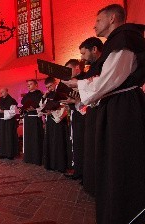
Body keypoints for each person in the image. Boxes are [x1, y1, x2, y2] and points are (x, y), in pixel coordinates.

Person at [62, 4, 145, 223]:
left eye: (98, 20)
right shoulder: (117, 40)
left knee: (121, 160)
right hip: (116, 105)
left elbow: (108, 81)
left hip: (123, 108)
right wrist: (80, 85)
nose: (94, 25)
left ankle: (127, 213)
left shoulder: (124, 37)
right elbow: (105, 80)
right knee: (112, 159)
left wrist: (79, 85)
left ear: (112, 19)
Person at [78, 36, 103, 196]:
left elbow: (101, 88)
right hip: (92, 112)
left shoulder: (104, 65)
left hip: (102, 112)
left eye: (83, 53)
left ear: (94, 49)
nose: (82, 58)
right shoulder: (93, 68)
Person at [63, 59, 86, 180]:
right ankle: (78, 170)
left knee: (82, 143)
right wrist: (68, 103)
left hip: (84, 117)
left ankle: (84, 173)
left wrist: (75, 101)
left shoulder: (84, 79)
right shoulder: (71, 82)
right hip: (75, 115)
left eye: (69, 69)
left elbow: (90, 99)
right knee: (76, 143)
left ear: (77, 67)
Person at [41, 77, 68, 172]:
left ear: (55, 82)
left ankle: (60, 165)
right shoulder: (49, 94)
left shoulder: (61, 91)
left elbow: (64, 106)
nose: (49, 89)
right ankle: (51, 163)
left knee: (58, 142)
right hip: (50, 121)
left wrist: (52, 112)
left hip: (58, 121)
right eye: (47, 87)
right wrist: (44, 98)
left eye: (50, 86)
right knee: (51, 142)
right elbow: (42, 106)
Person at [20, 80, 44, 165]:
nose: (28, 86)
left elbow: (42, 107)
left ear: (36, 85)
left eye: (30, 84)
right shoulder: (26, 96)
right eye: (28, 85)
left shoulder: (40, 95)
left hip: (35, 118)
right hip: (27, 119)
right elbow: (23, 105)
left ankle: (37, 159)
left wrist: (34, 109)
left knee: (36, 138)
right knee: (28, 138)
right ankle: (28, 158)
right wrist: (23, 109)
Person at [0, 88, 18, 160]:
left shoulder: (12, 100)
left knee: (9, 137)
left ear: (7, 91)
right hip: (2, 121)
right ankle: (2, 153)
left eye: (2, 92)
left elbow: (13, 112)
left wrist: (3, 112)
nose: (1, 93)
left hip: (9, 122)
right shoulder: (0, 102)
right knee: (2, 137)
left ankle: (10, 154)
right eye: (0, 92)